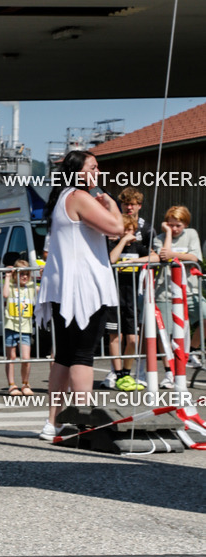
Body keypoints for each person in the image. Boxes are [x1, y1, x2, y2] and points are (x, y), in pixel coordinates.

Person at [35, 151, 123, 441]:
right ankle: (84, 422)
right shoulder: (79, 197)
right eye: (93, 167)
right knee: (82, 356)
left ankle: (53, 423)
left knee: (64, 356)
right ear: (78, 171)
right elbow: (117, 228)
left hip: (65, 288)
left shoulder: (62, 197)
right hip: (83, 289)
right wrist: (110, 202)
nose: (98, 172)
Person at [101, 188, 157, 392]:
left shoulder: (145, 231)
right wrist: (121, 239)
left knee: (133, 337)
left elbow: (156, 256)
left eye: (132, 204)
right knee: (115, 336)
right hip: (112, 294)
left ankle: (128, 373)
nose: (129, 207)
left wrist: (136, 260)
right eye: (125, 203)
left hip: (133, 294)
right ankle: (117, 374)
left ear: (139, 206)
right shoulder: (112, 233)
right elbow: (109, 260)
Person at [155, 205, 206, 386]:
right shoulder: (159, 238)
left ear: (185, 224)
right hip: (165, 292)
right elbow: (163, 257)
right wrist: (167, 234)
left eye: (178, 225)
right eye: (171, 225)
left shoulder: (191, 234)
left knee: (204, 316)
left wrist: (174, 254)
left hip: (189, 290)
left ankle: (191, 351)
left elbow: (194, 258)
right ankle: (169, 372)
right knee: (166, 334)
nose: (175, 228)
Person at [2, 260, 36, 396]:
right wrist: (8, 276)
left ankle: (25, 383)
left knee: (26, 358)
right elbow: (5, 295)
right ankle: (12, 384)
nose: (25, 277)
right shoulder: (10, 286)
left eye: (27, 274)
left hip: (25, 327)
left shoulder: (31, 286)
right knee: (11, 356)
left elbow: (44, 289)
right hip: (11, 325)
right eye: (21, 274)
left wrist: (43, 274)